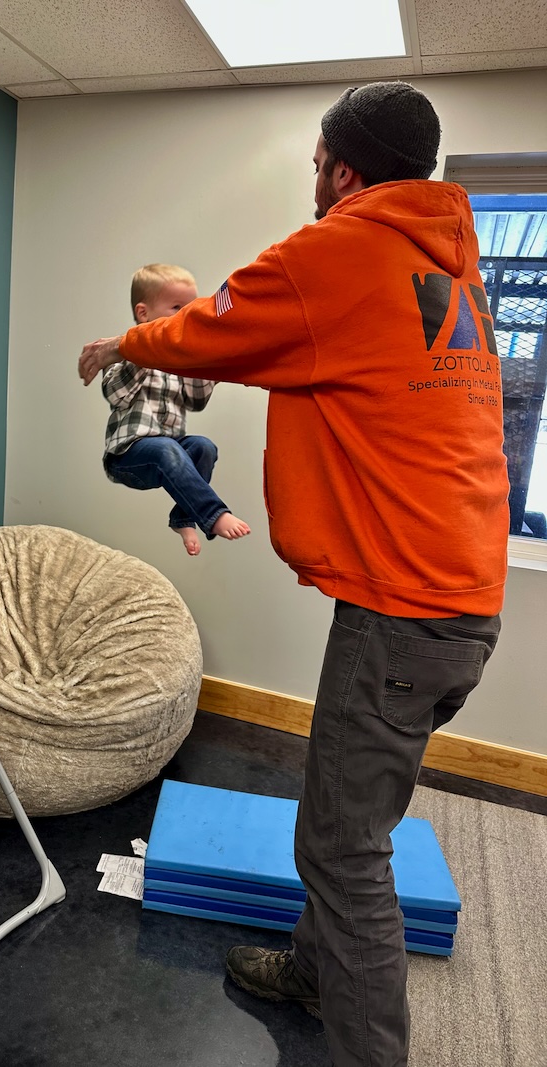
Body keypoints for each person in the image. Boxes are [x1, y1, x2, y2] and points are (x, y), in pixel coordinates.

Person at [79, 81, 509, 1067]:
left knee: (340, 848)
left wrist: (121, 342)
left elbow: (207, 330)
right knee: (351, 816)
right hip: (457, 600)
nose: (313, 180)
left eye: (318, 163)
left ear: (344, 170)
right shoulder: (447, 265)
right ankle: (317, 969)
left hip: (404, 610)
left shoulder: (339, 248)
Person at [100, 263, 250, 556]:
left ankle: (183, 517)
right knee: (166, 448)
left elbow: (195, 402)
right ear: (144, 313)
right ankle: (213, 514)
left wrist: (204, 365)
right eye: (177, 308)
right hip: (128, 455)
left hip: (170, 450)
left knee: (203, 447)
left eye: (190, 308)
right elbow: (117, 395)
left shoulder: (177, 360)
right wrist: (144, 349)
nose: (186, 315)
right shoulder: (122, 351)